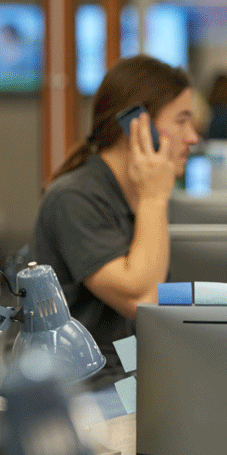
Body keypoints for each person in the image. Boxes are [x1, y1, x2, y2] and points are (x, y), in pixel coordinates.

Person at [31, 55, 200, 387]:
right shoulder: (75, 198)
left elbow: (151, 297)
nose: (192, 137)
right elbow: (141, 297)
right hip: (84, 394)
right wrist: (154, 198)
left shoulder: (131, 195)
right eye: (181, 121)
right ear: (138, 125)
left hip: (125, 377)